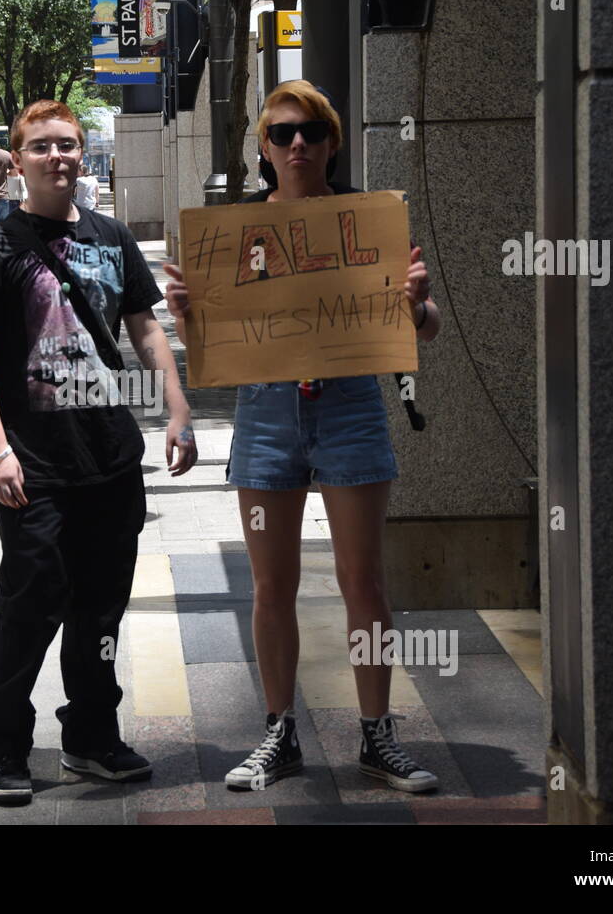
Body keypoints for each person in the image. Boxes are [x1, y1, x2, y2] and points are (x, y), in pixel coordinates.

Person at [163, 80, 444, 793]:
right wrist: (189, 313)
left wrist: (416, 303)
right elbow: (212, 340)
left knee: (364, 581)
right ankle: (278, 732)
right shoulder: (233, 235)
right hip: (266, 416)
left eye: (311, 133)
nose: (297, 145)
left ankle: (378, 736)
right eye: (283, 133)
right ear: (263, 146)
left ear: (331, 144)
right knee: (270, 586)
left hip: (349, 410)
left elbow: (425, 326)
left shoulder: (368, 224)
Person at [0, 99, 199, 805]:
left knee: (100, 613)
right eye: (42, 148)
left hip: (111, 460)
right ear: (18, 162)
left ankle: (91, 736)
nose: (58, 157)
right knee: (28, 608)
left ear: (82, 153)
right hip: (34, 466)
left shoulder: (113, 236)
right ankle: (4, 743)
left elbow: (146, 330)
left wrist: (176, 408)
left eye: (68, 145)